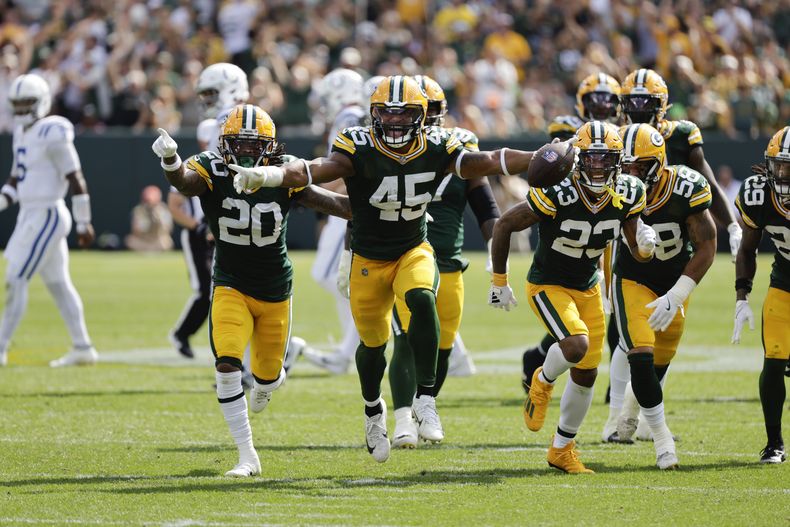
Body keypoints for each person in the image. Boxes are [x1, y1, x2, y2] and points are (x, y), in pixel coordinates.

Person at [230, 75, 543, 463]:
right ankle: (373, 409)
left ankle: (425, 399)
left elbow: (488, 162)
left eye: (405, 114)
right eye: (387, 115)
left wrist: (535, 157)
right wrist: (271, 175)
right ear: (373, 114)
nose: (395, 123)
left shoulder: (440, 143)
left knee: (422, 300)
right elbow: (316, 170)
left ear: (422, 116)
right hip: (369, 257)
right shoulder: (356, 144)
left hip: (414, 247)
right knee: (373, 347)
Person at [152, 104, 351, 477]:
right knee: (227, 365)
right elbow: (184, 183)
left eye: (252, 145)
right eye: (237, 145)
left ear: (270, 147)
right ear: (224, 144)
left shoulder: (283, 172)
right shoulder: (211, 167)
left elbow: (333, 203)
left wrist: (388, 211)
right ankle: (247, 455)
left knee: (267, 376)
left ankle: (268, 382)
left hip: (275, 289)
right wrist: (171, 161)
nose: (244, 153)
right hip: (230, 283)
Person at [489, 121, 651, 473]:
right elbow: (503, 225)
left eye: (604, 160)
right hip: (548, 283)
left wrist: (645, 244)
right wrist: (499, 281)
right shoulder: (557, 192)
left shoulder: (630, 191)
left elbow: (637, 250)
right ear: (577, 161)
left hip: (588, 284)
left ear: (618, 162)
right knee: (575, 345)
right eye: (590, 160)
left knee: (587, 373)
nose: (597, 167)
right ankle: (542, 381)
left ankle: (562, 449)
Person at [388, 74, 501, 448]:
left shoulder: (459, 146)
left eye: (433, 110)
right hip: (404, 255)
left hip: (448, 259)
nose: (426, 119)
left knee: (444, 343)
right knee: (406, 338)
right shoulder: (387, 149)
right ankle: (403, 417)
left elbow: (484, 203)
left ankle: (427, 403)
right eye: (419, 111)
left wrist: (494, 252)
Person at [605, 124, 716, 470]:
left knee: (659, 363)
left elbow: (708, 244)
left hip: (675, 281)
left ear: (656, 165)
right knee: (640, 354)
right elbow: (605, 241)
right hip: (633, 280)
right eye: (623, 166)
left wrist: (678, 295)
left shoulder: (685, 187)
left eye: (636, 167)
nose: (627, 174)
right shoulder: (611, 189)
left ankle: (630, 410)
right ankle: (662, 440)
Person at [521, 73, 623, 398]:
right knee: (573, 323)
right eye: (596, 100)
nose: (603, 105)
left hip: (607, 222)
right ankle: (540, 362)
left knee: (609, 307)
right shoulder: (567, 129)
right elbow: (550, 165)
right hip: (570, 217)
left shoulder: (621, 136)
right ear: (582, 102)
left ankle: (610, 384)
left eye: (609, 99)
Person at [0, 73, 98, 368]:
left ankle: (1, 347)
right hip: (29, 214)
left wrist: (84, 221)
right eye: (17, 104)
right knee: (58, 284)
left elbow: (75, 177)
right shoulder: (22, 133)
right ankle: (83, 347)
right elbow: (16, 179)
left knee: (16, 279)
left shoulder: (52, 131)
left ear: (41, 101)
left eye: (27, 103)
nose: (21, 110)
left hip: (48, 214)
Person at [165, 62, 249, 360]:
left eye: (212, 93)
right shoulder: (200, 161)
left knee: (234, 293)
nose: (206, 101)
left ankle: (245, 361)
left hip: (236, 220)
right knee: (223, 294)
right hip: (222, 223)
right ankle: (236, 362)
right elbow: (177, 198)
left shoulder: (238, 121)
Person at [299, 68, 367, 375]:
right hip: (349, 204)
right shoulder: (353, 115)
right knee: (340, 281)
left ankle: (351, 348)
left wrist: (322, 192)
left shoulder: (349, 117)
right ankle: (349, 349)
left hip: (350, 206)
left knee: (335, 277)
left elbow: (349, 167)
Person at [732, 126, 790, 464]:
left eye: (789, 168)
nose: (782, 175)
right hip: (784, 282)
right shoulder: (758, 194)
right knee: (774, 359)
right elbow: (747, 249)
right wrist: (742, 296)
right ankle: (774, 443)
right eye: (778, 166)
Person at [124, 185, 173, 252]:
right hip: (143, 240)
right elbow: (135, 230)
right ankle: (150, 249)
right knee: (130, 241)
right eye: (148, 201)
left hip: (158, 241)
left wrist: (158, 221)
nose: (150, 204)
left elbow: (168, 229)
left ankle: (150, 249)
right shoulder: (139, 210)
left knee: (166, 243)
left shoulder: (163, 209)